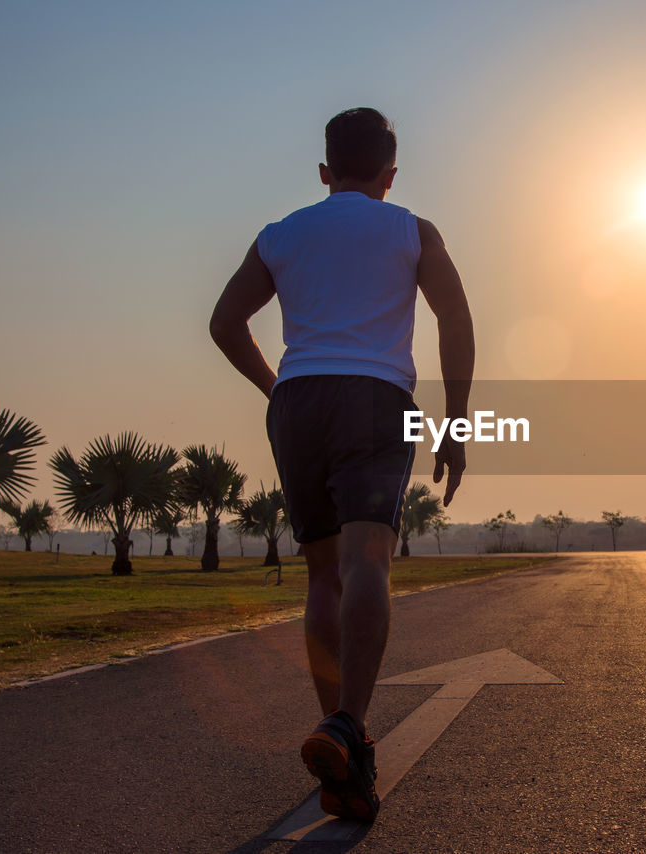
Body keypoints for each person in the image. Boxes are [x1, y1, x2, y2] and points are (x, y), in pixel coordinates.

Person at [209, 107, 474, 821]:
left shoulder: (281, 235)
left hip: (300, 401)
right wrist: (456, 421)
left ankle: (341, 746)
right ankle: (351, 725)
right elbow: (454, 317)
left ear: (325, 172)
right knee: (367, 565)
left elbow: (224, 324)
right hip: (373, 398)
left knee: (322, 573)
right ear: (390, 174)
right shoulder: (412, 229)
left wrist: (278, 388)